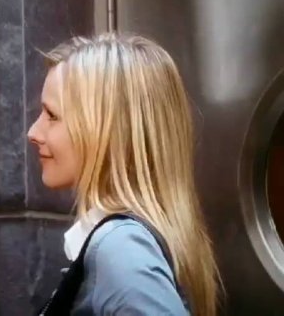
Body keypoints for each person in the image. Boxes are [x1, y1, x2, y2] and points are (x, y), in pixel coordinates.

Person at [27, 33, 221, 315]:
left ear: (109, 133)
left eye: (52, 116)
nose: (33, 132)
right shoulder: (129, 241)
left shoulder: (121, 247)